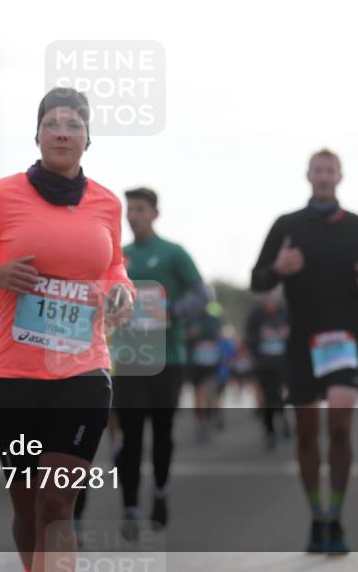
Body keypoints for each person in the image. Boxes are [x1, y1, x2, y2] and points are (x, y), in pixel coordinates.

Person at [0, 87, 134, 572]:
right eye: (51, 124)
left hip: (83, 369)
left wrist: (121, 290)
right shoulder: (3, 195)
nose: (62, 133)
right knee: (27, 507)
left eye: (74, 125)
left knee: (57, 504)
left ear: (88, 139)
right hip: (15, 375)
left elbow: (114, 265)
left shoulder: (106, 203)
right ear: (37, 135)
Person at [250, 148, 358, 555]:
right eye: (318, 170)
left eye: (331, 170)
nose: (325, 176)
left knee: (340, 427)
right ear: (308, 175)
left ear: (340, 177)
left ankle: (337, 516)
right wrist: (279, 269)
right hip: (302, 344)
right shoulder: (287, 226)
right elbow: (257, 279)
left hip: (345, 340)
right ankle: (317, 515)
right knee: (308, 434)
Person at [112, 186, 208, 534]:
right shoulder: (118, 256)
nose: (133, 216)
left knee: (162, 433)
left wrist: (173, 312)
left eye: (140, 209)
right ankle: (130, 508)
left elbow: (203, 295)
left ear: (155, 213)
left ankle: (161, 493)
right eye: (129, 209)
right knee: (130, 437)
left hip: (168, 357)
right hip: (128, 358)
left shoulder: (173, 253)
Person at [244, 287, 291, 450]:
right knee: (266, 398)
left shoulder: (286, 313)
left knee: (279, 394)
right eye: (268, 294)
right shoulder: (256, 315)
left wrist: (287, 334)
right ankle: (269, 431)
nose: (270, 297)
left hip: (282, 363)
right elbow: (249, 337)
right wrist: (260, 336)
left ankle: (283, 419)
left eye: (273, 294)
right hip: (263, 364)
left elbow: (297, 333)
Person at [186, 301, 224, 443]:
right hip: (196, 365)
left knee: (209, 394)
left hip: (211, 364)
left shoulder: (214, 320)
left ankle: (207, 422)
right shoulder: (190, 318)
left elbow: (219, 336)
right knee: (200, 395)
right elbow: (187, 335)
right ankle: (202, 424)